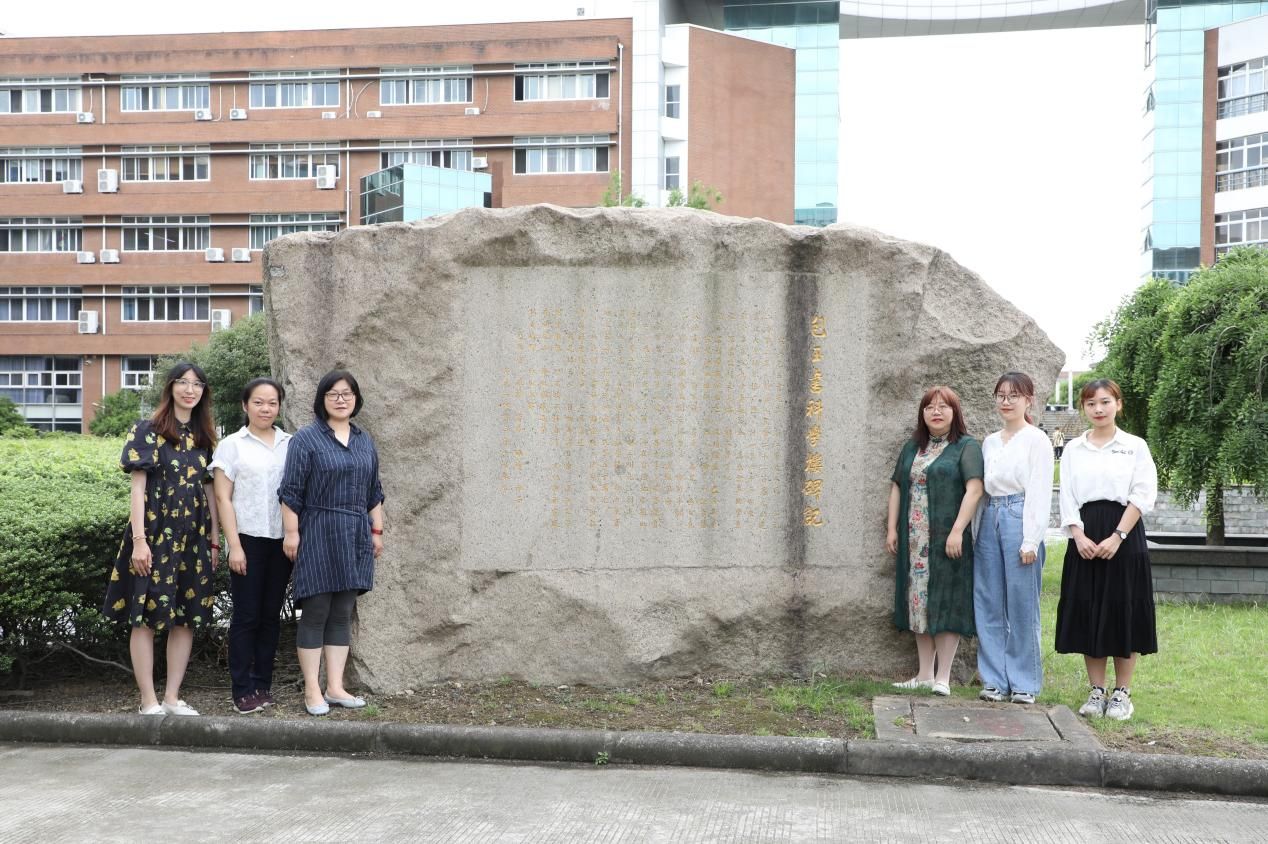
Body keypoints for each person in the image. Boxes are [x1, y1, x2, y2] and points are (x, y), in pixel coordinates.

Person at [104, 362, 219, 716]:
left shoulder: (204, 437)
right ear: (170, 387)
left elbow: (209, 491)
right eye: (183, 382)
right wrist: (139, 541)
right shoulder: (148, 430)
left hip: (194, 538)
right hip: (154, 536)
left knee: (186, 617)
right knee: (145, 617)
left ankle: (171, 697)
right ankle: (148, 700)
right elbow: (137, 489)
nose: (190, 389)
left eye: (197, 384)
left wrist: (215, 539)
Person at [279, 370, 385, 716]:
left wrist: (377, 532)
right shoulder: (306, 440)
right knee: (316, 611)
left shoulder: (364, 441)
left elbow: (374, 492)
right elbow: (290, 492)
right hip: (318, 531)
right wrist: (292, 533)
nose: (341, 399)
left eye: (347, 393)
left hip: (355, 533)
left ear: (356, 399)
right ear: (322, 399)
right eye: (333, 394)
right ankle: (312, 689)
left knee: (341, 612)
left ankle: (335, 686)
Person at [1055, 379, 1158, 722]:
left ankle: (1122, 693)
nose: (1098, 409)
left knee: (1123, 607)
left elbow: (1143, 493)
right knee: (1090, 607)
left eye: (1104, 402)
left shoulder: (1134, 446)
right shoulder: (1074, 449)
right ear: (1084, 408)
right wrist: (1077, 535)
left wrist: (1118, 536)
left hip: (1124, 533)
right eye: (1090, 404)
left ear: (1118, 404)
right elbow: (1067, 495)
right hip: (1085, 534)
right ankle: (1096, 690)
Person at [886, 386, 984, 696]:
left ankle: (944, 677)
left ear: (955, 412)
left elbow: (975, 490)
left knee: (948, 601)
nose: (936, 412)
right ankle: (925, 674)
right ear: (922, 413)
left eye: (943, 406)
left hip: (948, 539)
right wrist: (891, 529)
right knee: (918, 602)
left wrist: (957, 531)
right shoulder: (913, 447)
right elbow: (897, 486)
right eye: (930, 407)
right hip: (915, 540)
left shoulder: (966, 446)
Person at [211, 378, 292, 715]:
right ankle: (242, 690)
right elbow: (222, 498)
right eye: (258, 402)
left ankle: (262, 685)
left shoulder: (290, 444)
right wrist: (234, 545)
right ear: (245, 405)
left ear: (279, 406)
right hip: (247, 539)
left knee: (271, 616)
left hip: (281, 541)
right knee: (246, 616)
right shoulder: (232, 445)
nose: (265, 409)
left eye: (272, 403)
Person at [975, 372, 1054, 705]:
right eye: (1001, 396)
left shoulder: (1037, 439)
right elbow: (982, 491)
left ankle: (1024, 683)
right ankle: (994, 680)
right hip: (991, 515)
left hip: (1020, 515)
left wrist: (1030, 539)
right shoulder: (990, 442)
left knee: (1022, 604)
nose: (1006, 402)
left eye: (1014, 396)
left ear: (1028, 400)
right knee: (988, 600)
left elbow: (1039, 489)